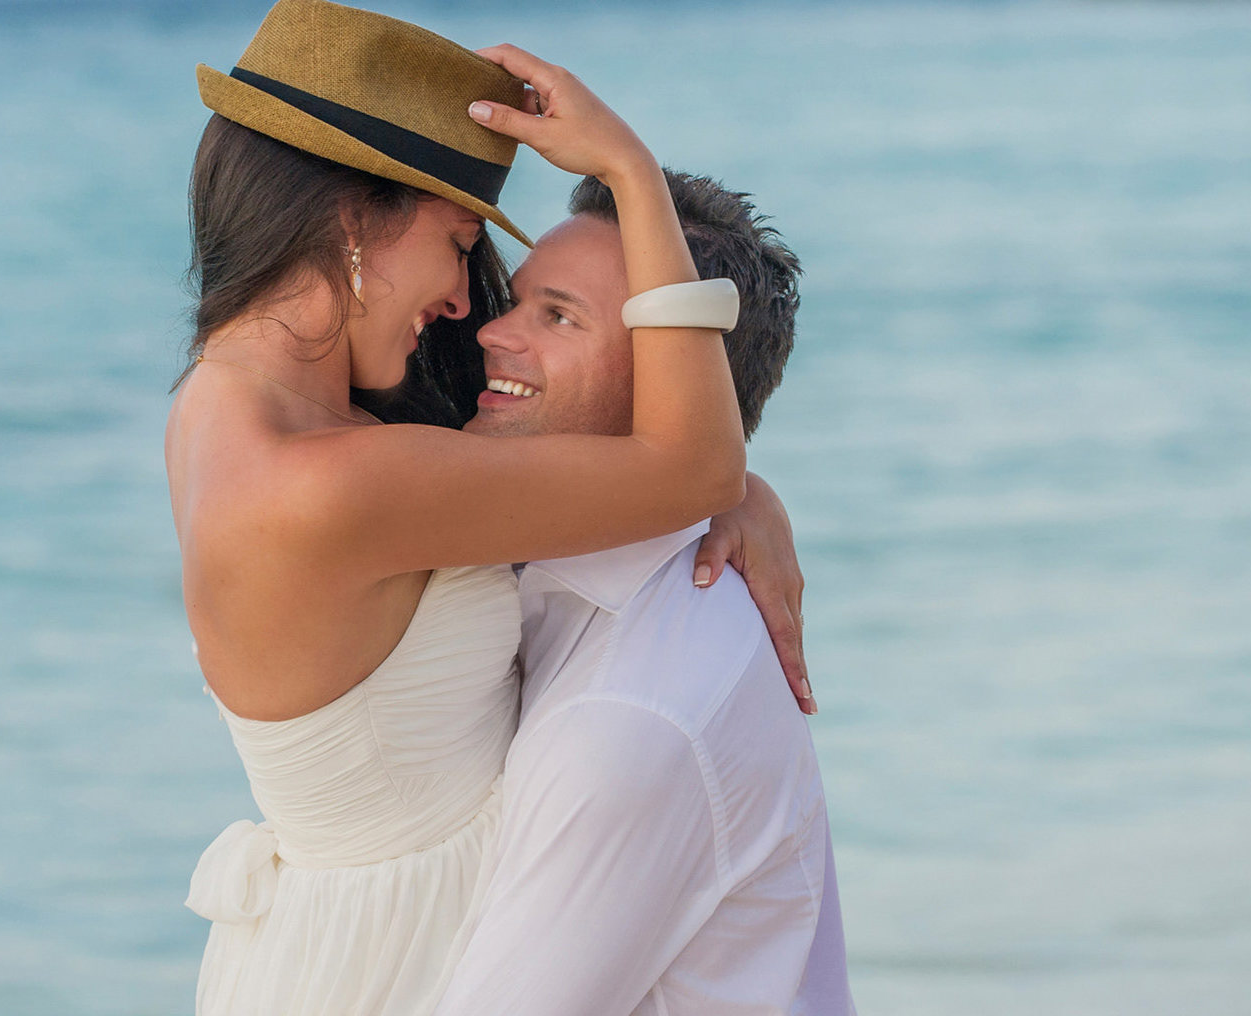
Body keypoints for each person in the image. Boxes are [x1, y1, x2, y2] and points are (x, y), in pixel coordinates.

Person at [168, 2, 805, 1013]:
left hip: (343, 941)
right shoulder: (333, 483)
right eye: (461, 241)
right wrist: (629, 171)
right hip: (386, 967)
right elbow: (693, 465)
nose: (468, 301)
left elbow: (648, 464)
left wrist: (736, 493)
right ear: (354, 223)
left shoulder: (231, 406)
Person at [431, 172, 853, 1014]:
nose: (492, 332)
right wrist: (740, 488)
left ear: (676, 391)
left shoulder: (629, 720)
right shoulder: (527, 572)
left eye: (559, 317)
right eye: (516, 302)